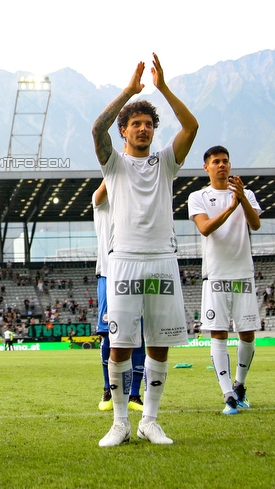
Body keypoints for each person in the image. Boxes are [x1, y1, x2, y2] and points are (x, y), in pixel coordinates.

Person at [91, 55, 198, 447]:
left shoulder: (166, 161)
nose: (143, 129)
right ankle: (119, 423)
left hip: (163, 259)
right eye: (135, 124)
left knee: (159, 342)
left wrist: (163, 88)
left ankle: (149, 420)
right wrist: (129, 92)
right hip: (123, 261)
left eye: (149, 124)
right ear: (124, 131)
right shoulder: (114, 164)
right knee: (119, 347)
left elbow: (191, 126)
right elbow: (96, 128)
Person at [188, 146, 262, 415]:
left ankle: (240, 385)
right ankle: (227, 394)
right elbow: (205, 228)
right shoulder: (198, 196)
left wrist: (241, 199)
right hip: (216, 273)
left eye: (225, 161)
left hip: (243, 272)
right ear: (206, 167)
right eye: (216, 162)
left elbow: (255, 225)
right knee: (218, 332)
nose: (222, 165)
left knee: (247, 333)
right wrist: (231, 208)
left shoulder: (246, 194)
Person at [93, 181, 146, 413]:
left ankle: (135, 394)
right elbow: (101, 191)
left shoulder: (134, 203)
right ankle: (108, 390)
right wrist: (117, 170)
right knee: (108, 335)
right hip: (108, 274)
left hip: (135, 274)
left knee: (139, 334)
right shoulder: (102, 202)